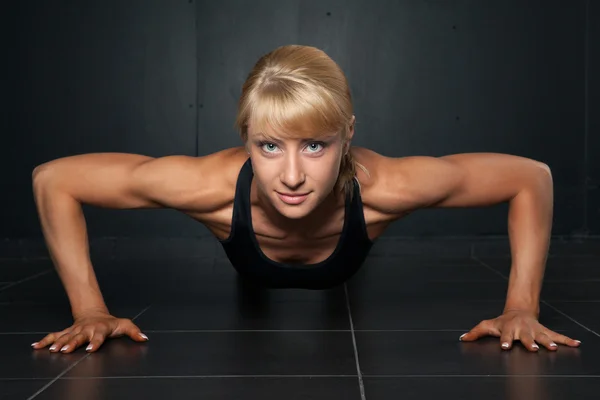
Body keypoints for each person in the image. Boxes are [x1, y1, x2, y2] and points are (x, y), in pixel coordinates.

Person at [29, 44, 581, 355]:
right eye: (269, 145)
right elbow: (55, 179)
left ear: (348, 136)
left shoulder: (385, 185)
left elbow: (530, 178)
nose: (291, 174)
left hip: (347, 243)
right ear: (245, 137)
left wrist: (522, 307)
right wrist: (90, 310)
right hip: (244, 241)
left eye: (315, 145)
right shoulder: (206, 185)